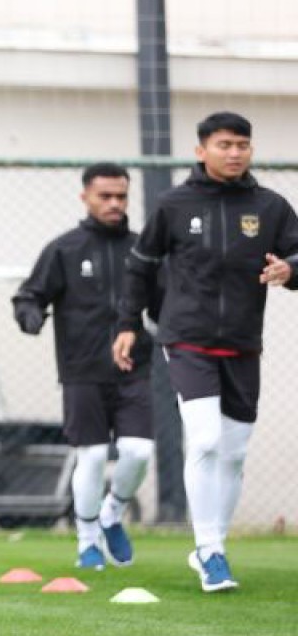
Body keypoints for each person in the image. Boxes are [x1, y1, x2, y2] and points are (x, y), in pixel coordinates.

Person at [113, 111, 298, 592]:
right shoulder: (173, 205)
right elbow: (140, 267)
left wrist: (289, 270)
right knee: (207, 440)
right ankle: (210, 549)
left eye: (242, 144)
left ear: (250, 150)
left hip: (242, 344)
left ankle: (211, 547)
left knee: (234, 455)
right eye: (224, 144)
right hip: (187, 339)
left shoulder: (272, 207)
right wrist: (129, 325)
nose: (234, 152)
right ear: (201, 151)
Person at [13, 163, 158, 571]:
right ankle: (87, 540)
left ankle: (113, 511)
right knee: (92, 457)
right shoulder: (64, 249)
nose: (114, 203)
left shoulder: (142, 250)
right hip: (82, 371)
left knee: (139, 451)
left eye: (121, 196)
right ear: (86, 197)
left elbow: (166, 302)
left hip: (135, 368)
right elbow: (28, 297)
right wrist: (32, 318)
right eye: (105, 196)